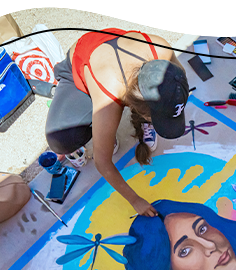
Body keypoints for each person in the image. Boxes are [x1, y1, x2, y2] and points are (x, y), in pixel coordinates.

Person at [45, 28, 190, 217]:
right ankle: (103, 133)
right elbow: (102, 163)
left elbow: (178, 83)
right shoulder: (108, 99)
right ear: (135, 106)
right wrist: (135, 200)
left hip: (117, 58)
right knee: (60, 140)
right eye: (155, 119)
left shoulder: (162, 52)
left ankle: (109, 130)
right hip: (81, 64)